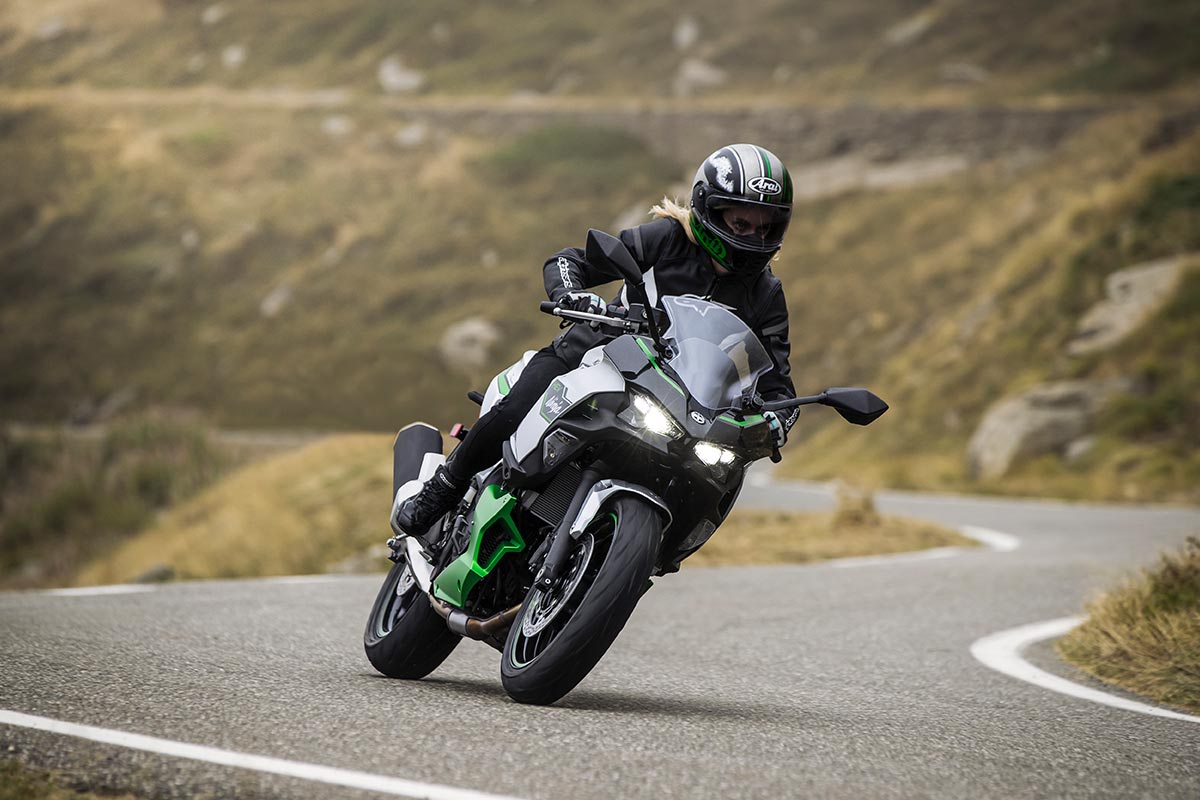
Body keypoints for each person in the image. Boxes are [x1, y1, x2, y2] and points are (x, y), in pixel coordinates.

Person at [394, 143, 800, 545]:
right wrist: (571, 295)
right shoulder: (668, 240)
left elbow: (778, 385)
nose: (753, 235)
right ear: (708, 209)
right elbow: (569, 261)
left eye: (765, 226)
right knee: (517, 408)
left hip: (679, 400)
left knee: (708, 475)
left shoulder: (766, 295)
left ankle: (636, 553)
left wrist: (778, 420)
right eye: (740, 222)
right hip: (598, 355)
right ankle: (443, 488)